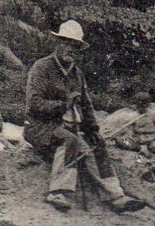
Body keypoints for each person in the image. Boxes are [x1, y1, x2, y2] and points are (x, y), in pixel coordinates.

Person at [24, 19, 142, 213]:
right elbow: (34, 104)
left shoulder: (77, 74)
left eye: (76, 46)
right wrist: (63, 105)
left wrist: (94, 129)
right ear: (59, 43)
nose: (72, 50)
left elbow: (86, 106)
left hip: (69, 127)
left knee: (97, 145)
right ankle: (58, 192)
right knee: (71, 141)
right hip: (41, 127)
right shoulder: (41, 68)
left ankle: (115, 196)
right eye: (68, 44)